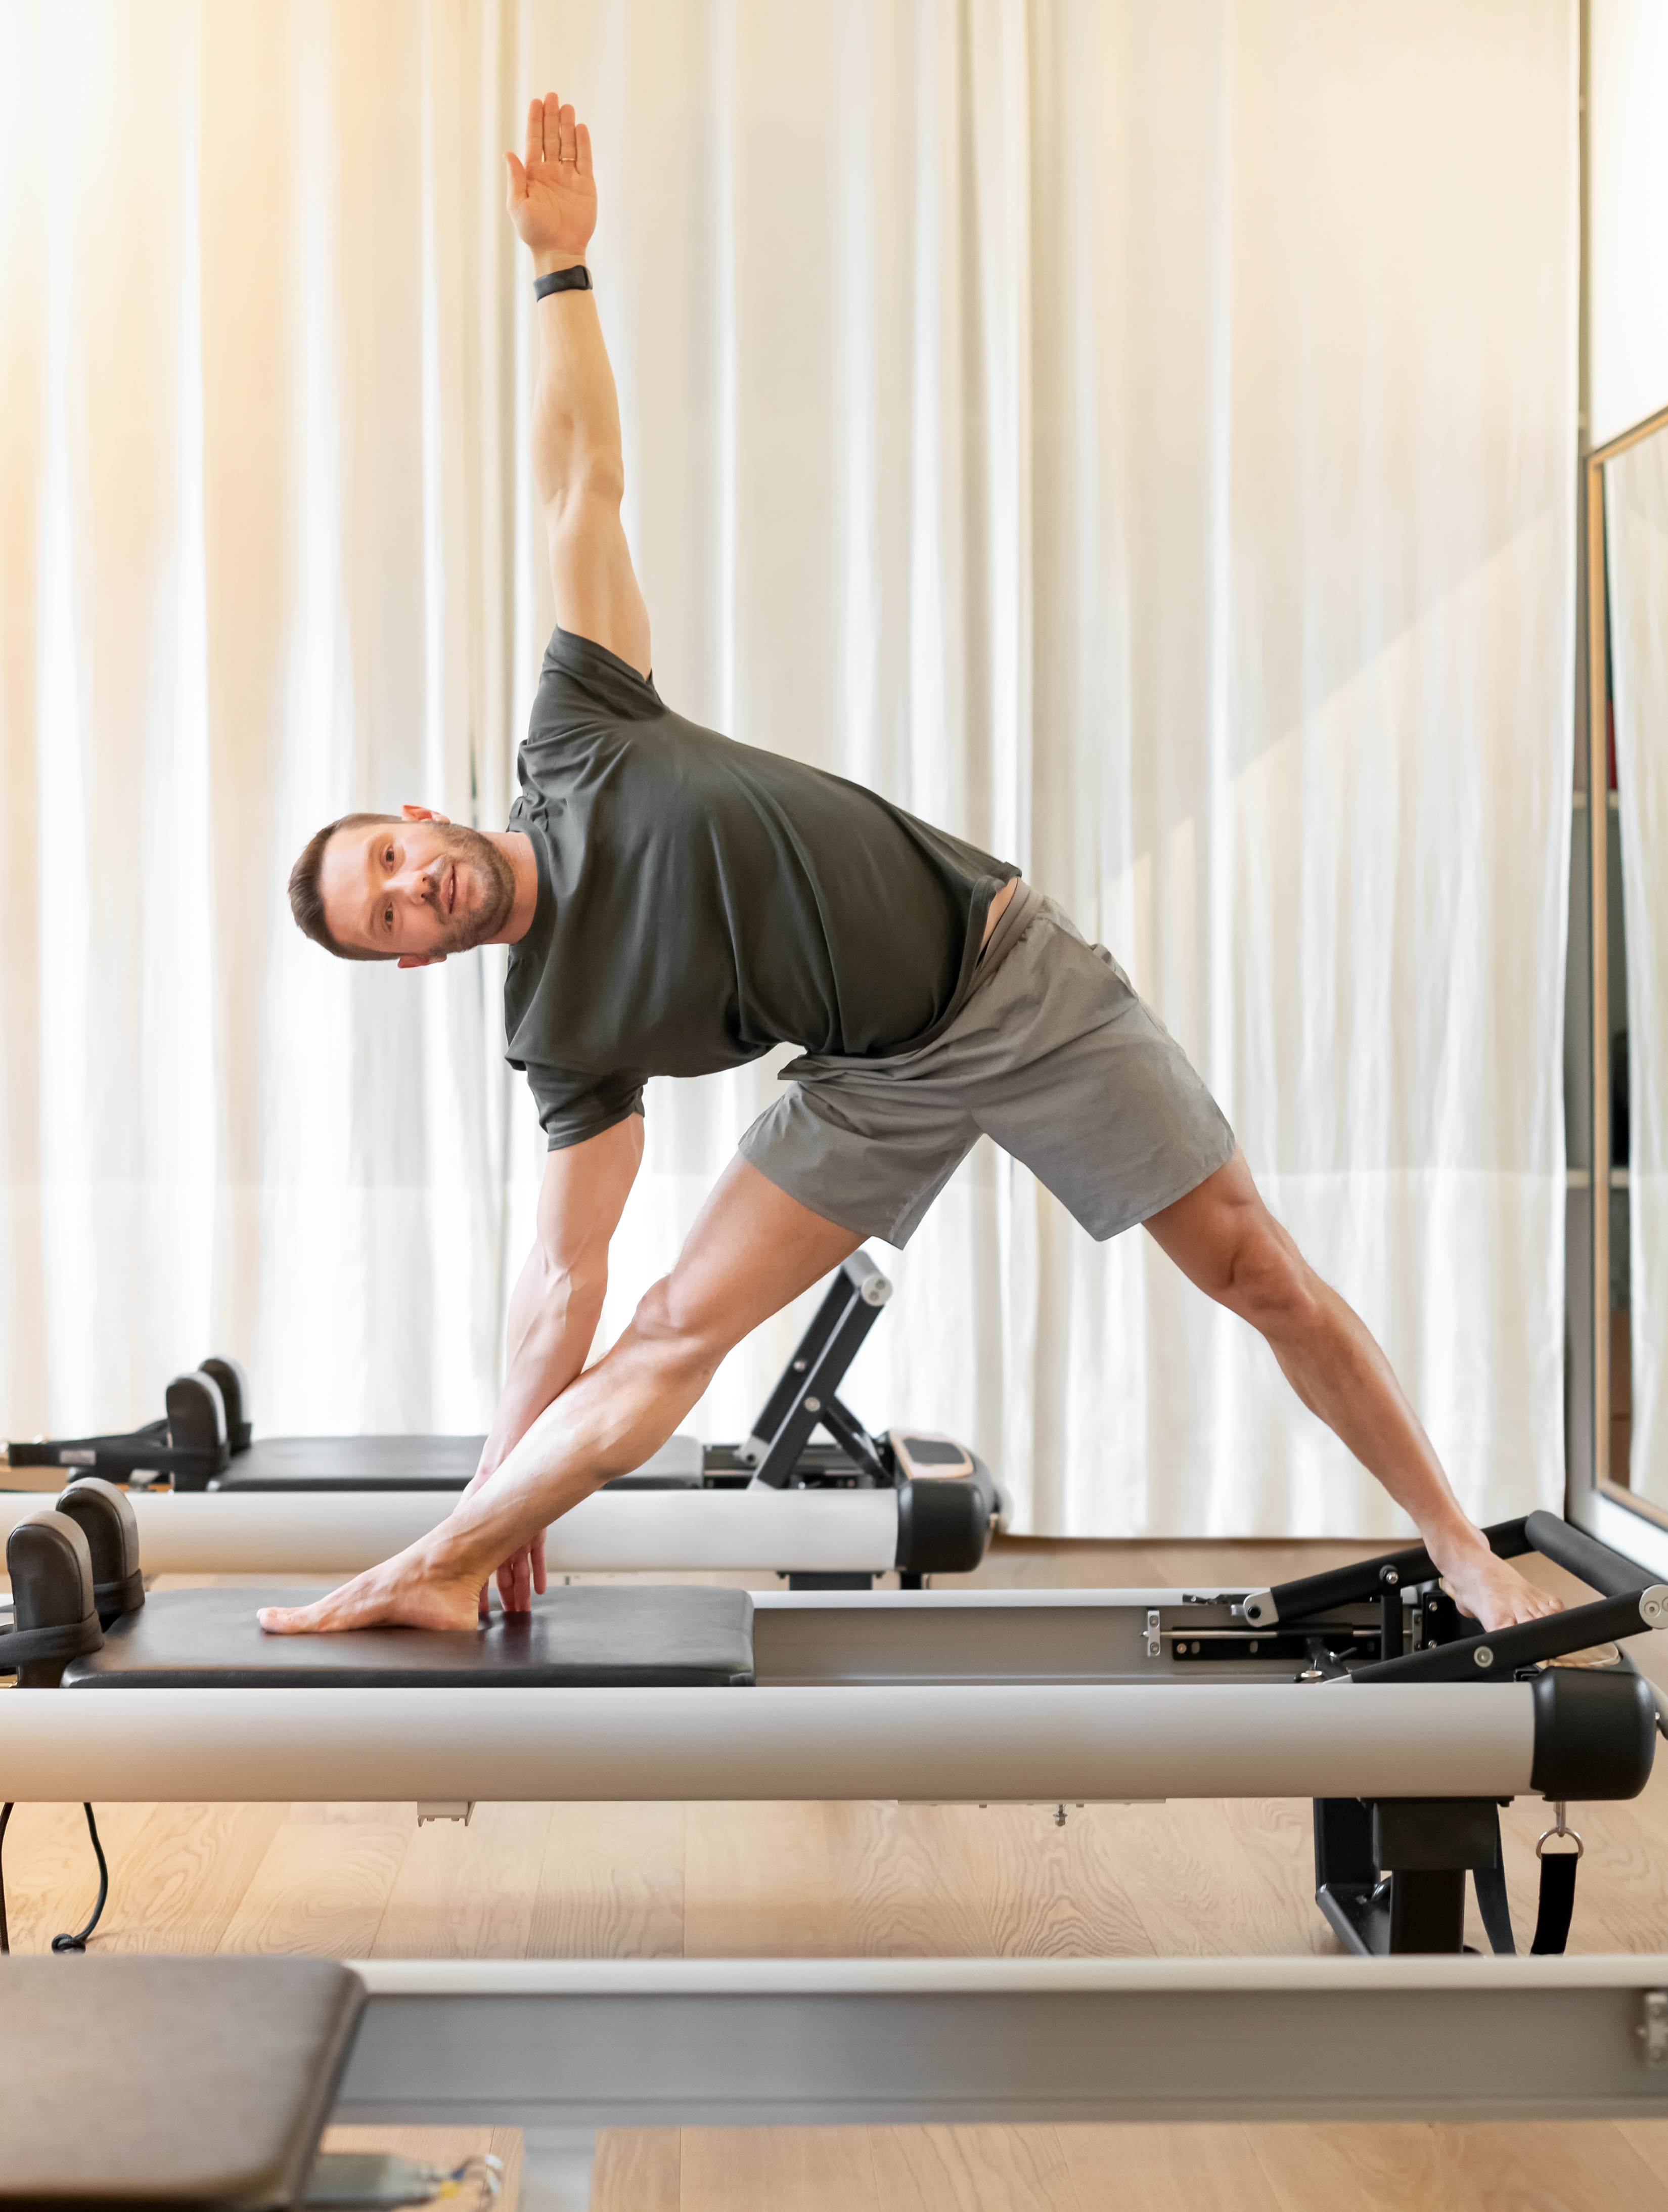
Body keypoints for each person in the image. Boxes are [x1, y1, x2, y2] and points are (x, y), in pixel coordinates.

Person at [259, 92, 1558, 1639]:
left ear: (421, 815)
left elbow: (576, 485)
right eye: (389, 910)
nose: (415, 885)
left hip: (1010, 981)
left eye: (394, 856)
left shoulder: (578, 729)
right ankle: (439, 1563)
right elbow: (565, 1282)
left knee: (1253, 1269)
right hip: (869, 1078)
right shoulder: (560, 1028)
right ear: (411, 956)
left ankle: (1467, 1557)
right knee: (672, 1327)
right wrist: (498, 1500)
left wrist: (561, 268)